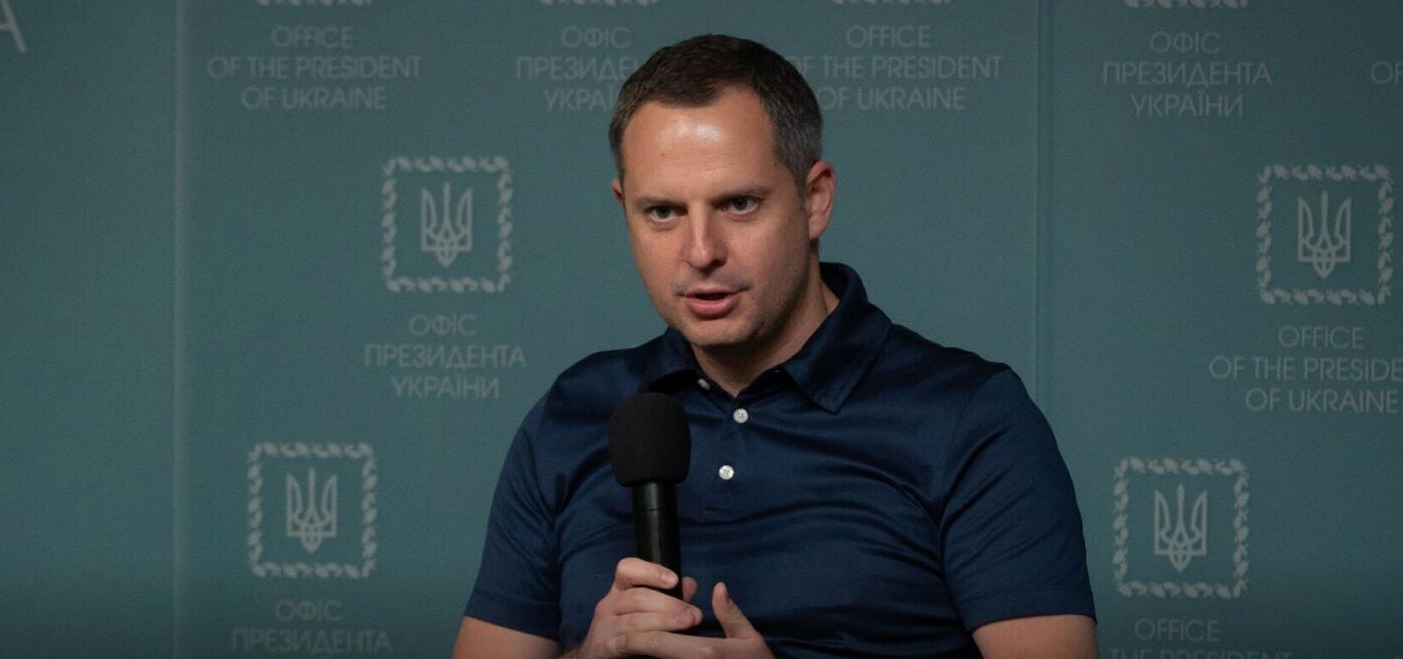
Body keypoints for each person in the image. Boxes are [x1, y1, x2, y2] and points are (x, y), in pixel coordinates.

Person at [452, 34, 1097, 659]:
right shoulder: (571, 415)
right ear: (624, 208)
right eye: (663, 212)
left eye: (738, 204)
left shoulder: (969, 417)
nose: (701, 252)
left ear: (815, 200)